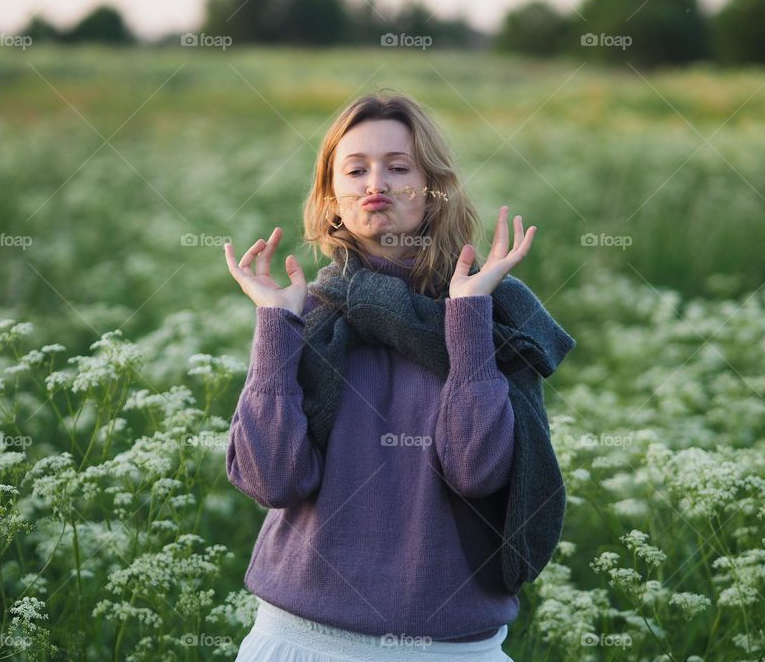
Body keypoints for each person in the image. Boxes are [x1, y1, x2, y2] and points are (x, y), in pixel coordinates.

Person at [223, 92, 544, 661]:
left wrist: (467, 321)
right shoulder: (308, 313)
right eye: (356, 168)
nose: (378, 182)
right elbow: (270, 480)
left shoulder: (490, 315)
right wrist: (275, 325)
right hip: (303, 640)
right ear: (330, 198)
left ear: (433, 187)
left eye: (399, 167)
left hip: (452, 649)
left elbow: (477, 471)